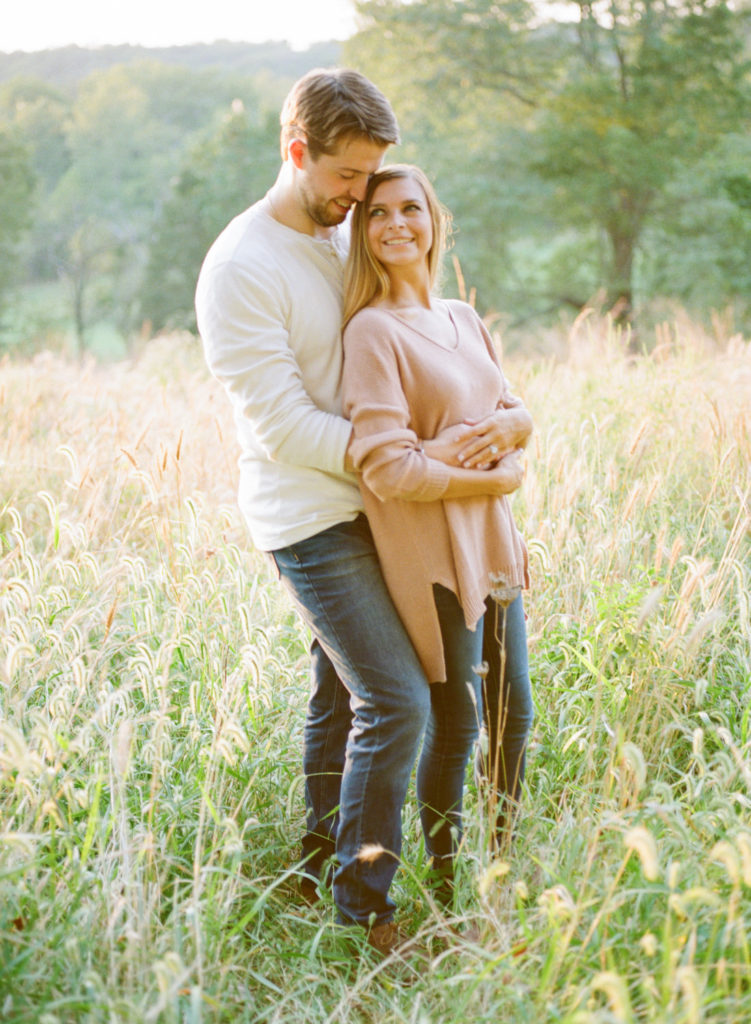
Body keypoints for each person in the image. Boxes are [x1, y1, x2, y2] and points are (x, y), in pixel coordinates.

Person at [195, 69, 504, 956]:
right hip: (311, 517)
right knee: (396, 701)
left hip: (390, 504)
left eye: (372, 179)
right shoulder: (241, 270)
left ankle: (314, 863)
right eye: (345, 178)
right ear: (296, 152)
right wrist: (403, 461)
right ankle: (366, 911)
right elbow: (282, 423)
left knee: (341, 691)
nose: (362, 198)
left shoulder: (343, 231)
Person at [341, 164, 535, 896]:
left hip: (493, 545)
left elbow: (507, 405)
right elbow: (388, 470)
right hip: (430, 554)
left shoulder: (460, 315)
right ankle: (450, 885)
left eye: (409, 209)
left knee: (514, 714)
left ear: (432, 218)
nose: (395, 224)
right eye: (377, 213)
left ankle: (501, 864)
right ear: (363, 233)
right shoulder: (371, 332)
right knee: (456, 725)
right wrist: (491, 474)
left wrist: (520, 422)